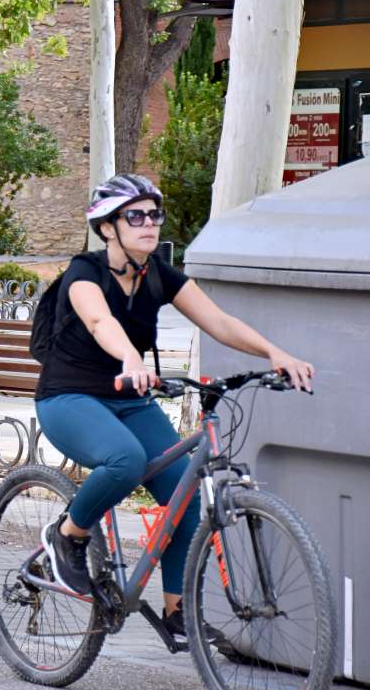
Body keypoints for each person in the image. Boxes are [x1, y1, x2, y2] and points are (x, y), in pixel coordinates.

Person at [36, 173, 314, 639]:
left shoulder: (159, 275)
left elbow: (219, 321)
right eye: (135, 216)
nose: (149, 223)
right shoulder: (85, 272)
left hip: (129, 399)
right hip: (69, 397)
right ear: (108, 227)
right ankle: (68, 536)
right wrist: (128, 356)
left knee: (183, 494)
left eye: (154, 215)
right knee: (124, 461)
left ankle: (177, 610)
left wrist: (274, 353)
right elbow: (98, 318)